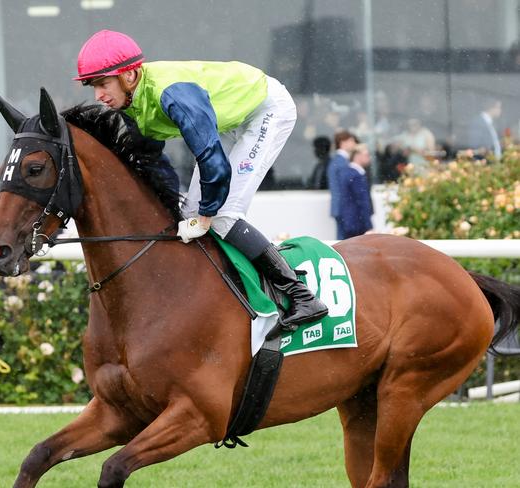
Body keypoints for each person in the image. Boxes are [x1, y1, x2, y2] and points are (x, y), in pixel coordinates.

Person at [73, 29, 327, 330]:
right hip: (230, 118)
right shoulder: (130, 104)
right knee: (191, 215)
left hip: (265, 109)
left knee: (223, 215)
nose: (98, 96)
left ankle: (301, 295)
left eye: (103, 84)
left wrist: (207, 213)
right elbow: (151, 164)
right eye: (93, 87)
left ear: (129, 76)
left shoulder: (173, 94)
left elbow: (211, 160)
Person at [337, 144, 373, 239]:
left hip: (349, 221)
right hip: (357, 223)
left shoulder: (347, 172)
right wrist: (368, 225)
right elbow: (362, 201)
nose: (369, 158)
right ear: (357, 155)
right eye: (366, 155)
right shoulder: (356, 175)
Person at [327, 131, 357, 239]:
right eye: (351, 141)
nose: (354, 143)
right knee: (345, 240)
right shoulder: (341, 162)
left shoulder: (338, 160)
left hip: (341, 206)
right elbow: (345, 187)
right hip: (344, 207)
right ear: (343, 143)